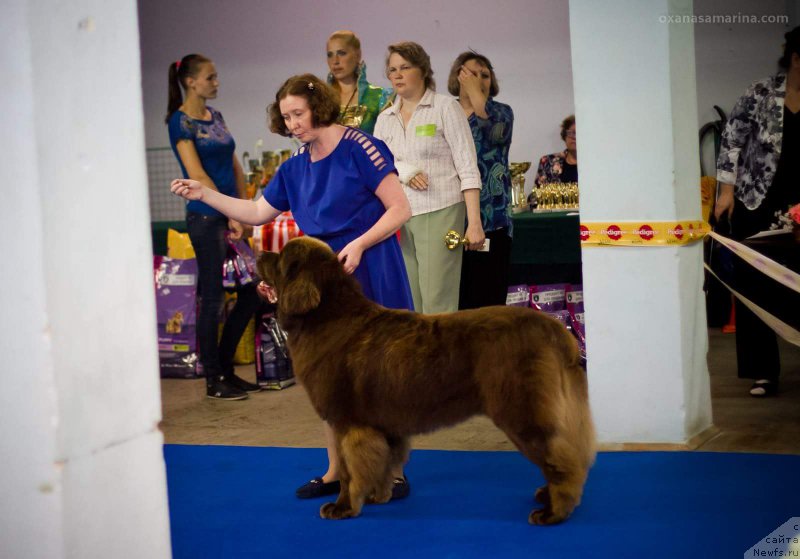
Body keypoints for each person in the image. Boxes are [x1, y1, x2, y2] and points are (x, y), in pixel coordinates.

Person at [170, 73, 414, 499]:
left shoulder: (363, 148)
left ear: (318, 106)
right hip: (323, 280)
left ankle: (392, 471)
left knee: (380, 376)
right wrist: (204, 194)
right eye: (285, 117)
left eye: (298, 113)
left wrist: (358, 245)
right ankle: (337, 470)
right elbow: (255, 211)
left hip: (371, 264)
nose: (293, 124)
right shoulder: (294, 167)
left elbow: (400, 208)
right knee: (328, 376)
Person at [166, 54, 262, 401]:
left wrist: (245, 206)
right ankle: (213, 378)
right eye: (210, 77)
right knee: (213, 298)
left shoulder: (215, 116)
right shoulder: (180, 123)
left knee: (252, 291)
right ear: (191, 81)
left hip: (230, 212)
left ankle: (226, 368)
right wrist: (229, 213)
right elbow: (198, 175)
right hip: (205, 217)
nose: (216, 83)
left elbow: (234, 165)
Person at [714, 26, 800, 397]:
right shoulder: (760, 92)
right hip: (757, 201)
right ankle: (763, 372)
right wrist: (725, 192)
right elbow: (731, 140)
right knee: (755, 284)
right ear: (796, 58)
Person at [374, 42, 485, 314]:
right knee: (409, 303)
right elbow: (377, 166)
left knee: (438, 303)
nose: (397, 75)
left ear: (422, 70)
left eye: (404, 68)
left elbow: (468, 166)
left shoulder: (446, 107)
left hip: (441, 210)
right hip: (399, 216)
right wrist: (404, 170)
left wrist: (475, 223)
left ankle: (445, 357)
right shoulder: (384, 118)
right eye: (392, 70)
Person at [447, 51, 514, 309]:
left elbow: (496, 133)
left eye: (485, 75)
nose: (480, 79)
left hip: (492, 221)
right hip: (450, 219)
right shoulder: (445, 110)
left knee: (488, 303)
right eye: (472, 74)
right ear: (458, 76)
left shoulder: (501, 112)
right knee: (456, 300)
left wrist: (475, 91)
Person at [326, 30, 393, 134]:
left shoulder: (380, 97)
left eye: (342, 53)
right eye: (330, 55)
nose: (335, 61)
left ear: (358, 55)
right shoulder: (319, 100)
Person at [527, 115, 577, 208]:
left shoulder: (595, 165)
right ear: (564, 136)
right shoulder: (547, 162)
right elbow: (534, 198)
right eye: (571, 133)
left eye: (579, 133)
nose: (574, 137)